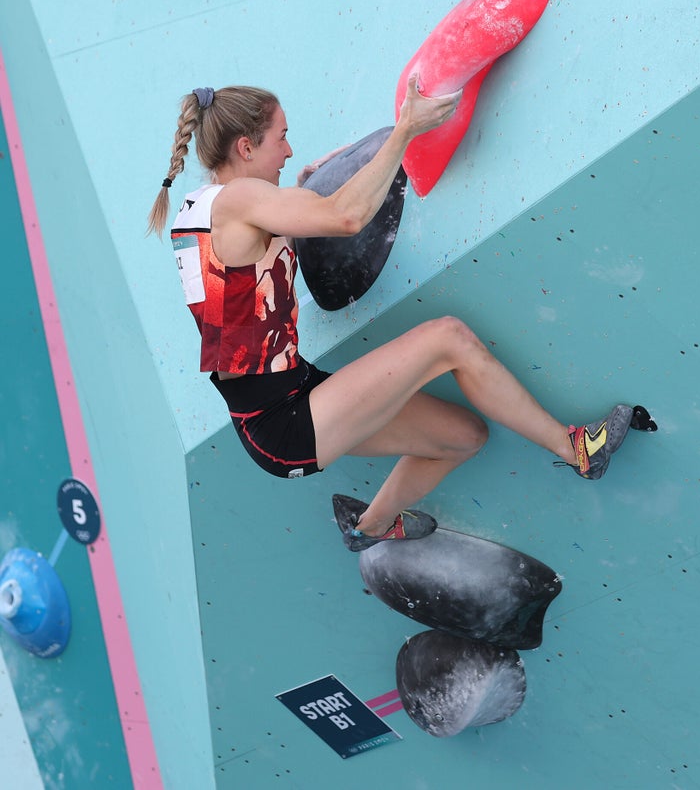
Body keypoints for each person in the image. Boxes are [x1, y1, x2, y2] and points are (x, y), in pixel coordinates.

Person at [147, 79, 638, 551]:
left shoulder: (199, 210)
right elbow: (346, 218)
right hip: (283, 422)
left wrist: (294, 199)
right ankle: (577, 450)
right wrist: (406, 129)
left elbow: (249, 276)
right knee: (449, 338)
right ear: (246, 148)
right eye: (282, 137)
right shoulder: (241, 201)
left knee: (464, 437)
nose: (290, 151)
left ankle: (371, 527)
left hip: (291, 396)